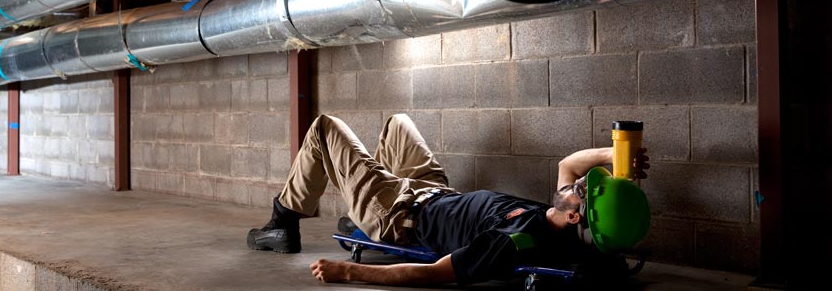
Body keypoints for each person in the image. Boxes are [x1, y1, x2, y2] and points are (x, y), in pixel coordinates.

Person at [247, 114, 651, 286]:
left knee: (324, 128)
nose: (574, 183)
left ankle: (282, 220)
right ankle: (357, 210)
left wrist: (348, 273)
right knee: (399, 123)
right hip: (432, 190)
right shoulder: (559, 219)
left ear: (576, 214)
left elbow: (435, 273)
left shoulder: (516, 240)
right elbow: (570, 163)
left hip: (398, 211)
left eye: (580, 189)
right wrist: (618, 157)